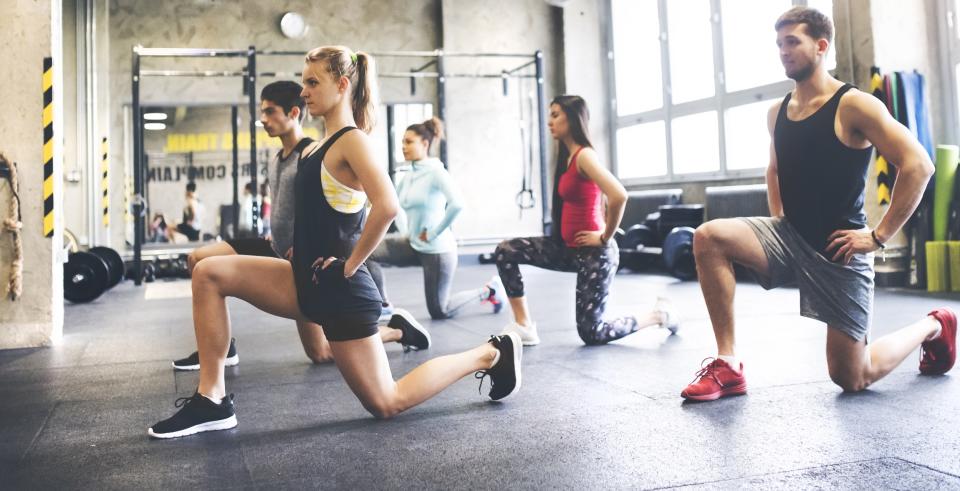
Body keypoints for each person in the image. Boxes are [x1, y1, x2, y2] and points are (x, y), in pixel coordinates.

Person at [149, 46, 522, 439]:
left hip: (340, 290)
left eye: (313, 82)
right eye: (304, 82)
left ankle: (490, 352)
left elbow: (387, 206)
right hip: (305, 279)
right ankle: (212, 399)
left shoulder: (352, 141)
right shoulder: (321, 146)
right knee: (208, 273)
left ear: (342, 85)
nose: (304, 91)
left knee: (386, 402)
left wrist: (350, 265)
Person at [680, 6, 955, 402]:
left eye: (793, 42)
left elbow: (919, 165)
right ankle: (728, 364)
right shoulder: (777, 113)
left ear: (821, 46)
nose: (783, 51)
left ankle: (934, 325)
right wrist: (778, 220)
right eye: (779, 43)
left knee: (852, 376)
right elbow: (773, 169)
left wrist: (877, 238)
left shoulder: (854, 105)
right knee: (709, 236)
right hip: (790, 236)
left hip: (839, 249)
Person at [172, 80, 427, 371]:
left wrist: (331, 255)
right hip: (274, 246)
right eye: (262, 112)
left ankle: (397, 331)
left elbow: (347, 208)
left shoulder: (313, 154)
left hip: (301, 257)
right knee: (199, 259)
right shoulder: (275, 158)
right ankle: (221, 346)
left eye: (270, 112)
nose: (263, 120)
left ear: (294, 113)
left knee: (320, 354)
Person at [494, 95, 678, 347]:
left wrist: (605, 236)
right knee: (507, 251)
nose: (550, 121)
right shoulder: (567, 158)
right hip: (568, 250)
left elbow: (619, 195)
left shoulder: (584, 156)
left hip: (596, 254)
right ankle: (524, 326)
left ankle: (659, 315)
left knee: (592, 333)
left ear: (573, 118)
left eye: (556, 115)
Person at [365, 117, 503, 320]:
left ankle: (490, 291)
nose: (404, 146)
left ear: (425, 144)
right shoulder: (408, 175)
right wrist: (405, 231)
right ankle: (383, 305)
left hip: (437, 249)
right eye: (403, 141)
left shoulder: (437, 173)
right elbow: (396, 206)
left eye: (409, 142)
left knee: (440, 310)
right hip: (413, 243)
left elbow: (457, 204)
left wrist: (433, 232)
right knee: (368, 252)